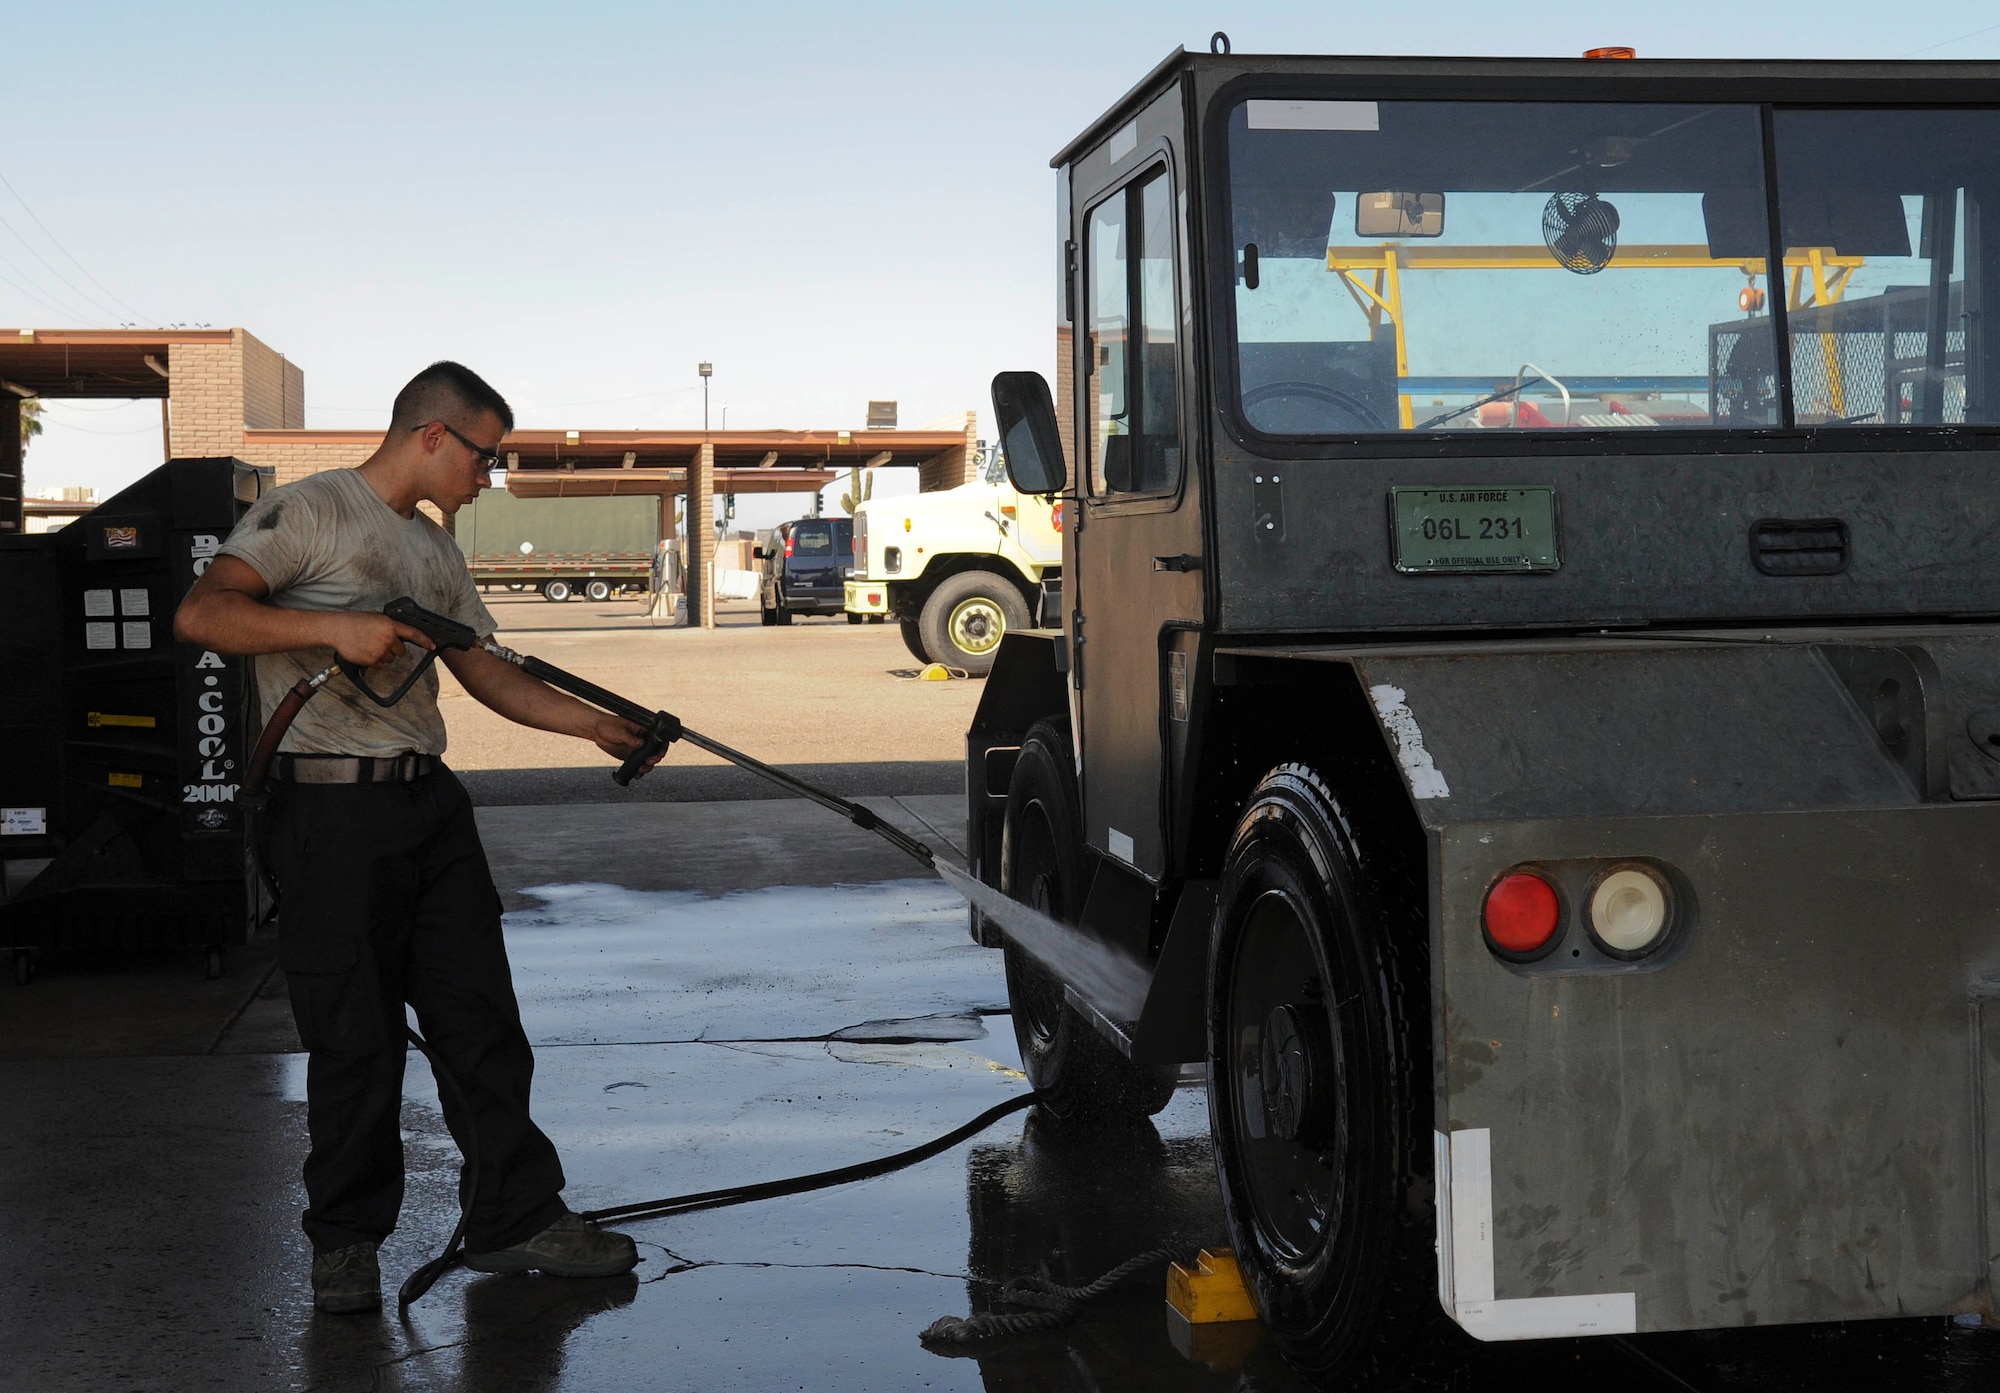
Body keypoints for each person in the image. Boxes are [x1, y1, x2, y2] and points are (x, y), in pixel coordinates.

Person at [174, 361, 651, 1314]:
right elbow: (204, 613)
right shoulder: (311, 513)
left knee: (481, 1023)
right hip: (327, 813)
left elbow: (488, 675)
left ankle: (515, 1217)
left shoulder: (434, 552)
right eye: (485, 456)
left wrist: (593, 726)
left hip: (428, 807)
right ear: (433, 436)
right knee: (356, 1040)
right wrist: (341, 630)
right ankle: (346, 1244)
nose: (490, 478)